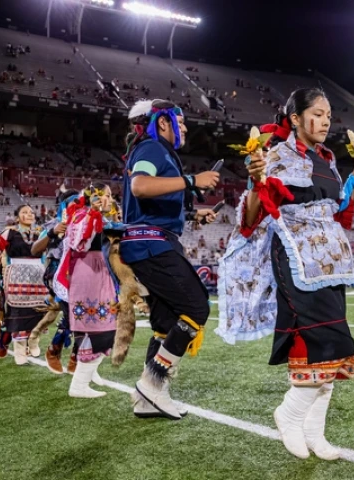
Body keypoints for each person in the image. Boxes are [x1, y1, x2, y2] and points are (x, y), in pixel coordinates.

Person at [217, 88, 354, 460]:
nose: (325, 122)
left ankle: (314, 434)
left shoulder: (329, 161)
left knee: (322, 349)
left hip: (330, 263)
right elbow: (252, 218)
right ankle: (289, 415)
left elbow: (339, 216)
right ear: (296, 118)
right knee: (328, 340)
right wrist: (256, 182)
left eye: (329, 117)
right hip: (296, 258)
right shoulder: (275, 155)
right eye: (317, 114)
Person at [118, 99, 220, 419]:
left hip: (149, 242)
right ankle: (151, 384)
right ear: (163, 123)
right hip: (151, 245)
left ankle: (149, 401)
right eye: (181, 120)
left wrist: (192, 215)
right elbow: (140, 186)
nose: (185, 126)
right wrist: (192, 181)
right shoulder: (151, 148)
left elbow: (155, 206)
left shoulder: (159, 152)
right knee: (196, 307)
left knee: (164, 323)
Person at [54, 184, 117, 398]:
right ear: (96, 197)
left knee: (93, 327)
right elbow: (79, 244)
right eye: (107, 195)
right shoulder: (83, 215)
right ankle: (79, 385)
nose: (111, 199)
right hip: (89, 273)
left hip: (93, 272)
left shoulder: (87, 215)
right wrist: (93, 213)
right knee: (101, 328)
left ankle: (87, 376)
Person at [29, 188, 79, 374]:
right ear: (65, 205)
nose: (79, 205)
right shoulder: (55, 223)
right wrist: (52, 232)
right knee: (73, 315)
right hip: (57, 273)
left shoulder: (86, 222)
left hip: (81, 273)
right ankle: (55, 351)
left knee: (81, 315)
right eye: (74, 202)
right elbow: (34, 250)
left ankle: (73, 356)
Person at [0, 205, 47, 365]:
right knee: (18, 312)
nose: (29, 214)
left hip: (38, 276)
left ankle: (34, 340)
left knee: (38, 311)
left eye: (31, 212)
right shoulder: (10, 233)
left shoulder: (41, 233)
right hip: (17, 277)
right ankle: (19, 349)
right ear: (17, 217)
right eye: (24, 212)